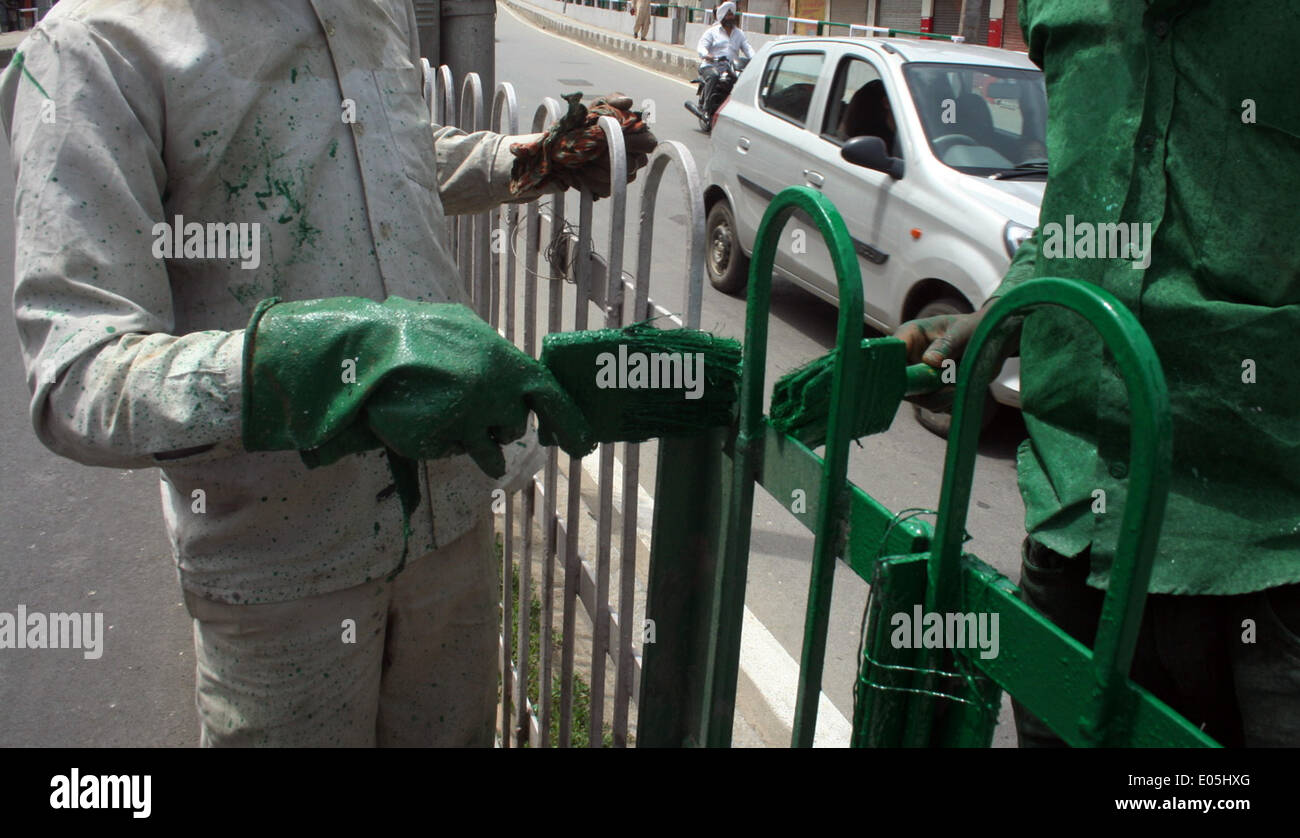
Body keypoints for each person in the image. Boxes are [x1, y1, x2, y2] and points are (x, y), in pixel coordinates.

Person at [1, 0, 653, 747]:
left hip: (451, 515)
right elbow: (78, 375)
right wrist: (336, 365)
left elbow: (384, 150)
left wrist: (531, 160)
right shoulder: (94, 46)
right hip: (284, 570)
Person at [894, 0, 1300, 747]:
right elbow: (1077, 212)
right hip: (1076, 513)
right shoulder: (1055, 10)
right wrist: (996, 311)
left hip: (1271, 548)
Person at [696, 2, 751, 113]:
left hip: (730, 68)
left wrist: (756, 59)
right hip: (710, 66)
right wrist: (707, 55)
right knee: (714, 76)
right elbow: (701, 46)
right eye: (728, 15)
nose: (730, 17)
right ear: (722, 16)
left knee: (741, 81)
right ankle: (706, 107)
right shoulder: (712, 32)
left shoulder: (739, 34)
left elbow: (748, 48)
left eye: (731, 15)